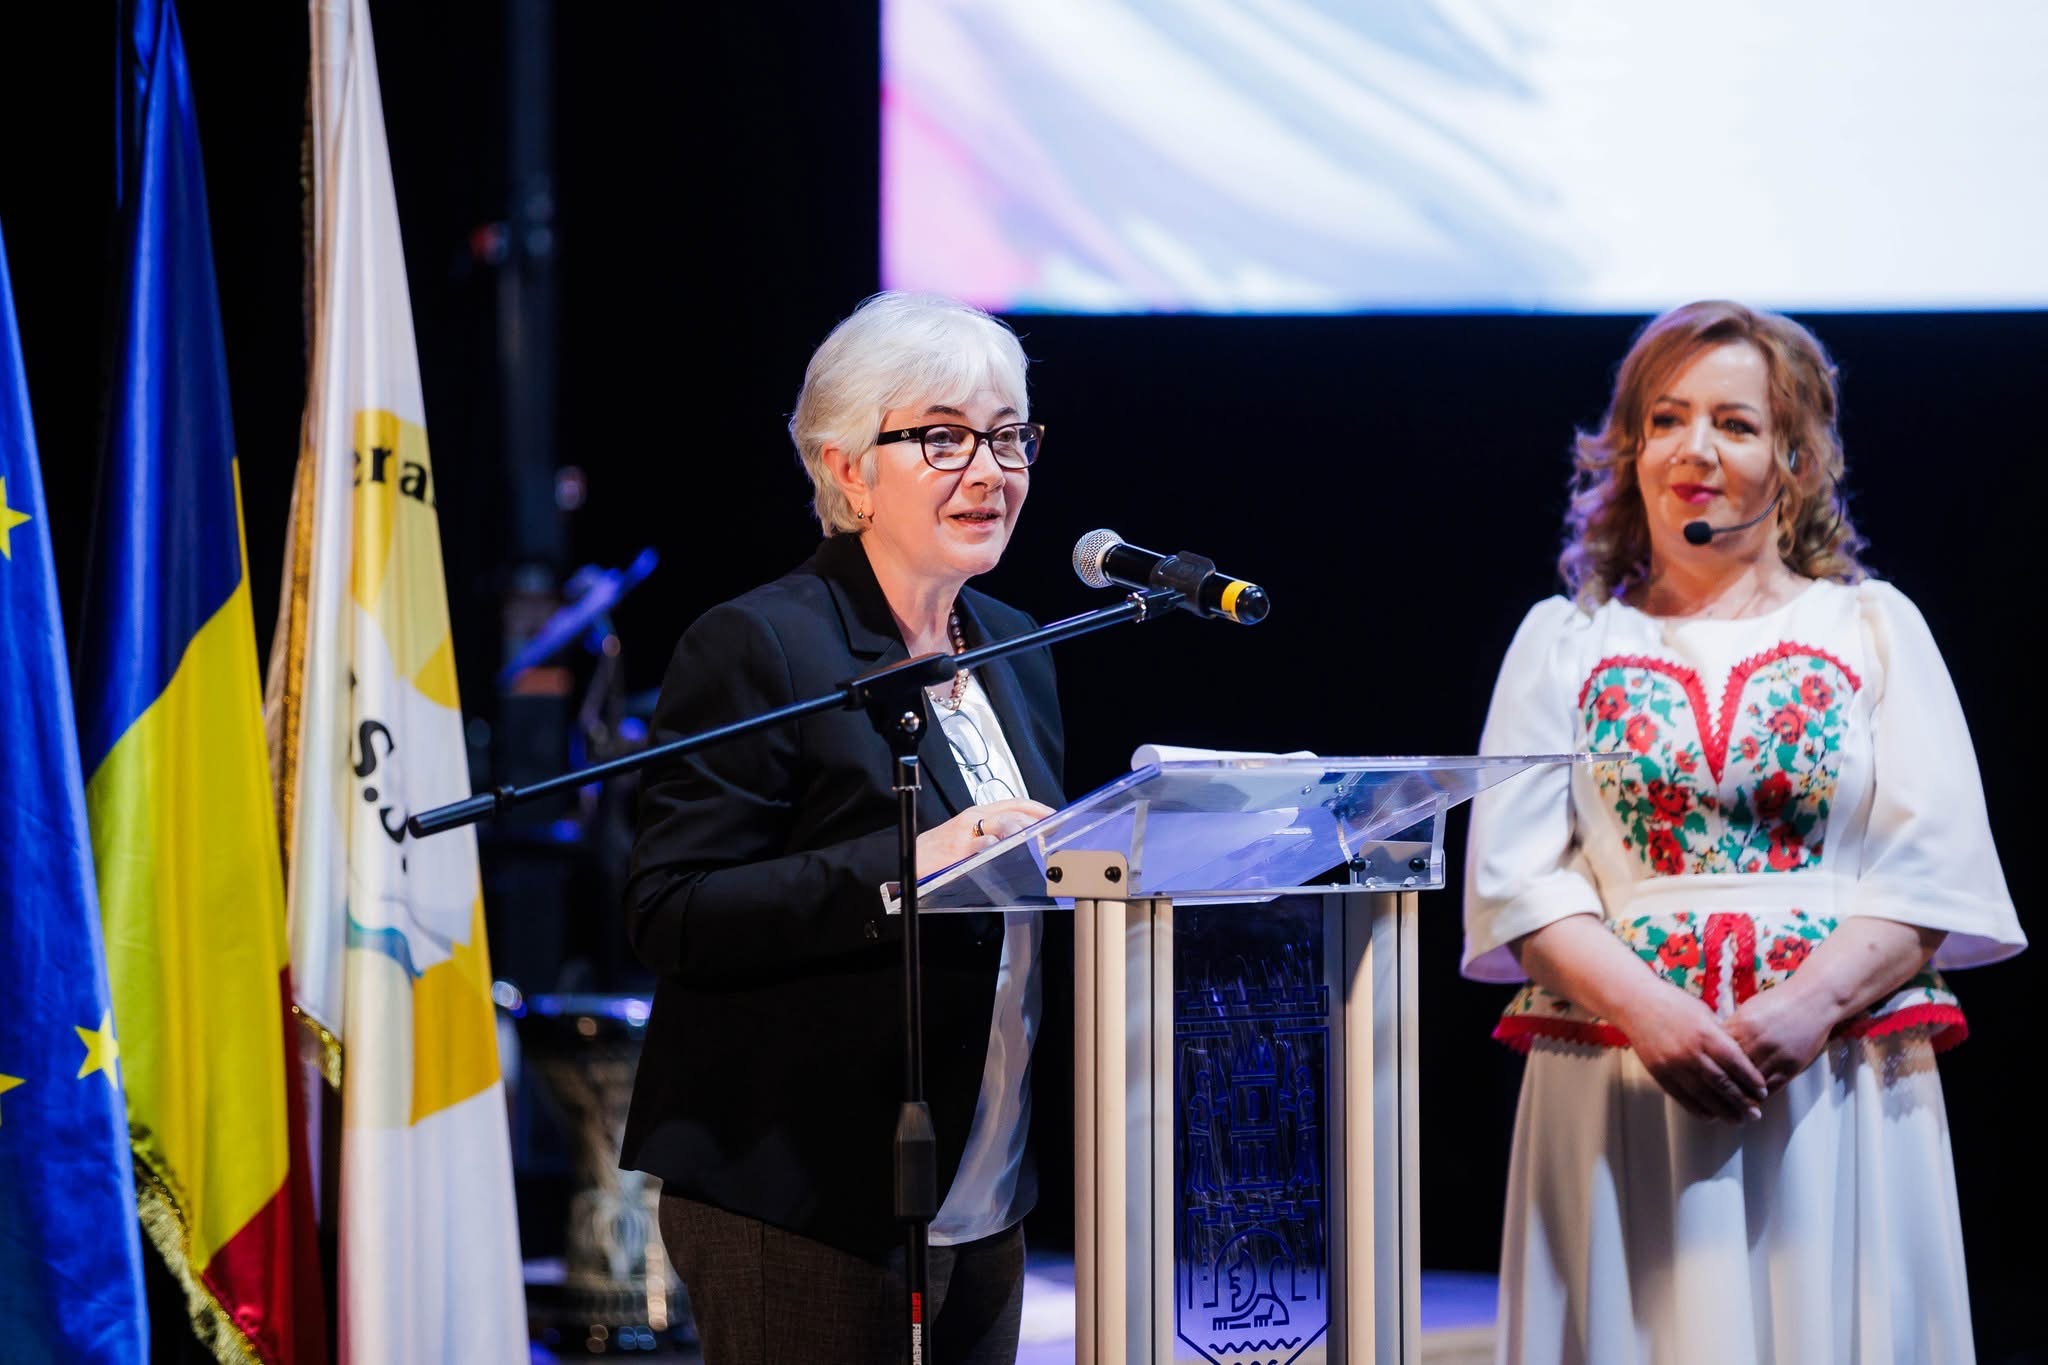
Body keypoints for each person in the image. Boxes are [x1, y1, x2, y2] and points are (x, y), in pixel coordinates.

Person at [1462, 300, 2025, 1364]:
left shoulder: (1870, 628)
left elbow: (1933, 867)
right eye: (1665, 420)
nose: (1694, 449)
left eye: (1734, 423)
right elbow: (1518, 880)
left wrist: (1804, 1007)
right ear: (1629, 453)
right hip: (1621, 1076)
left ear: (1795, 459)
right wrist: (1651, 1012)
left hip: (1837, 1071)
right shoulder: (1565, 641)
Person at [621, 292, 1065, 1363]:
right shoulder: (761, 644)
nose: (990, 471)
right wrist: (904, 867)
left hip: (984, 1188)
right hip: (805, 1196)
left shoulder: (1015, 645)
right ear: (848, 470)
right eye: (944, 438)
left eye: (1008, 436)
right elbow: (670, 910)